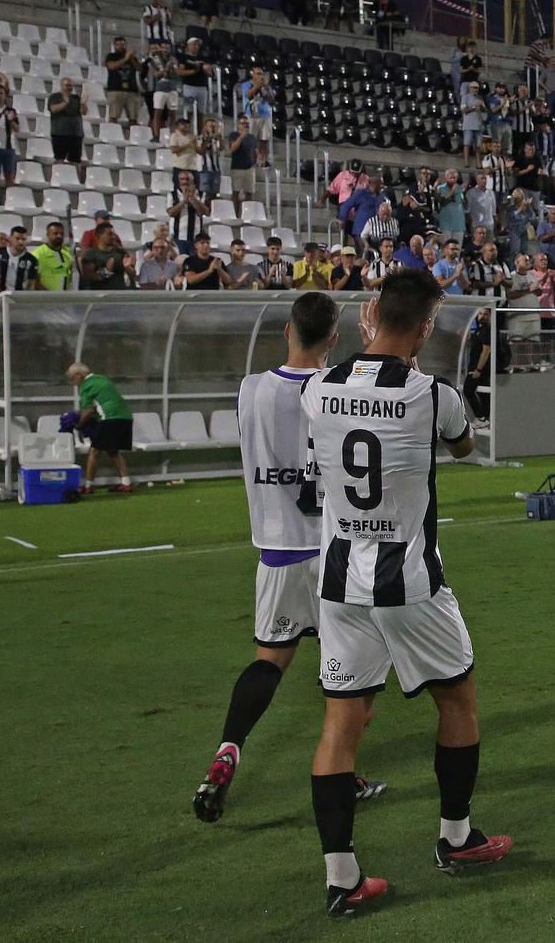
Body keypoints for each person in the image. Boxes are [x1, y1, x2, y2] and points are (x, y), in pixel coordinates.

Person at [300, 270, 510, 916]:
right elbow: (465, 446)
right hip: (410, 581)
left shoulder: (319, 387)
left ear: (371, 318)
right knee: (459, 700)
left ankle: (343, 878)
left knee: (341, 722)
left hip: (338, 583)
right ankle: (456, 838)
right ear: (422, 326)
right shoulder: (433, 395)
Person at [194, 294, 387, 823]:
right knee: (351, 675)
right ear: (333, 339)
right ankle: (341, 774)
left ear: (285, 331)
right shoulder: (340, 388)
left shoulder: (250, 388)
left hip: (277, 551)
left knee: (268, 662)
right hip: (336, 552)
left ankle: (228, 749)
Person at [67, 363, 133, 495]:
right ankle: (126, 483)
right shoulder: (101, 378)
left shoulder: (85, 386)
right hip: (126, 417)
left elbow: (88, 410)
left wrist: (79, 424)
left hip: (110, 418)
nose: (73, 383)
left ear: (79, 375)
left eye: (72, 379)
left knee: (94, 451)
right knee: (113, 451)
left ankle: (87, 486)